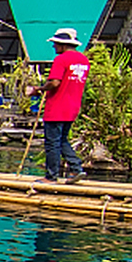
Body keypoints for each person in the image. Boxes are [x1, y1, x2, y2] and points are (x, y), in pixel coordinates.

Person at [33, 26, 90, 182]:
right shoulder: (84, 60)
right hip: (72, 107)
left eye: (56, 44)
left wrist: (40, 89)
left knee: (52, 142)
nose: (54, 46)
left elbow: (55, 82)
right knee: (62, 139)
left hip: (57, 107)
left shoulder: (61, 59)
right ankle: (76, 168)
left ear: (63, 45)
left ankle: (51, 176)